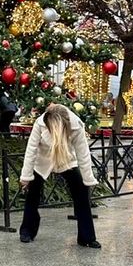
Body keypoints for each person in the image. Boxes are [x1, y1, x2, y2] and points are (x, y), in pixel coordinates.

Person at [18, 103, 101, 250]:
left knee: (82, 193)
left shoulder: (76, 125)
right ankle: (27, 231)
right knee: (32, 193)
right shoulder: (40, 122)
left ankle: (87, 237)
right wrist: (26, 176)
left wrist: (88, 179)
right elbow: (31, 150)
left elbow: (83, 154)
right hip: (42, 160)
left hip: (66, 160)